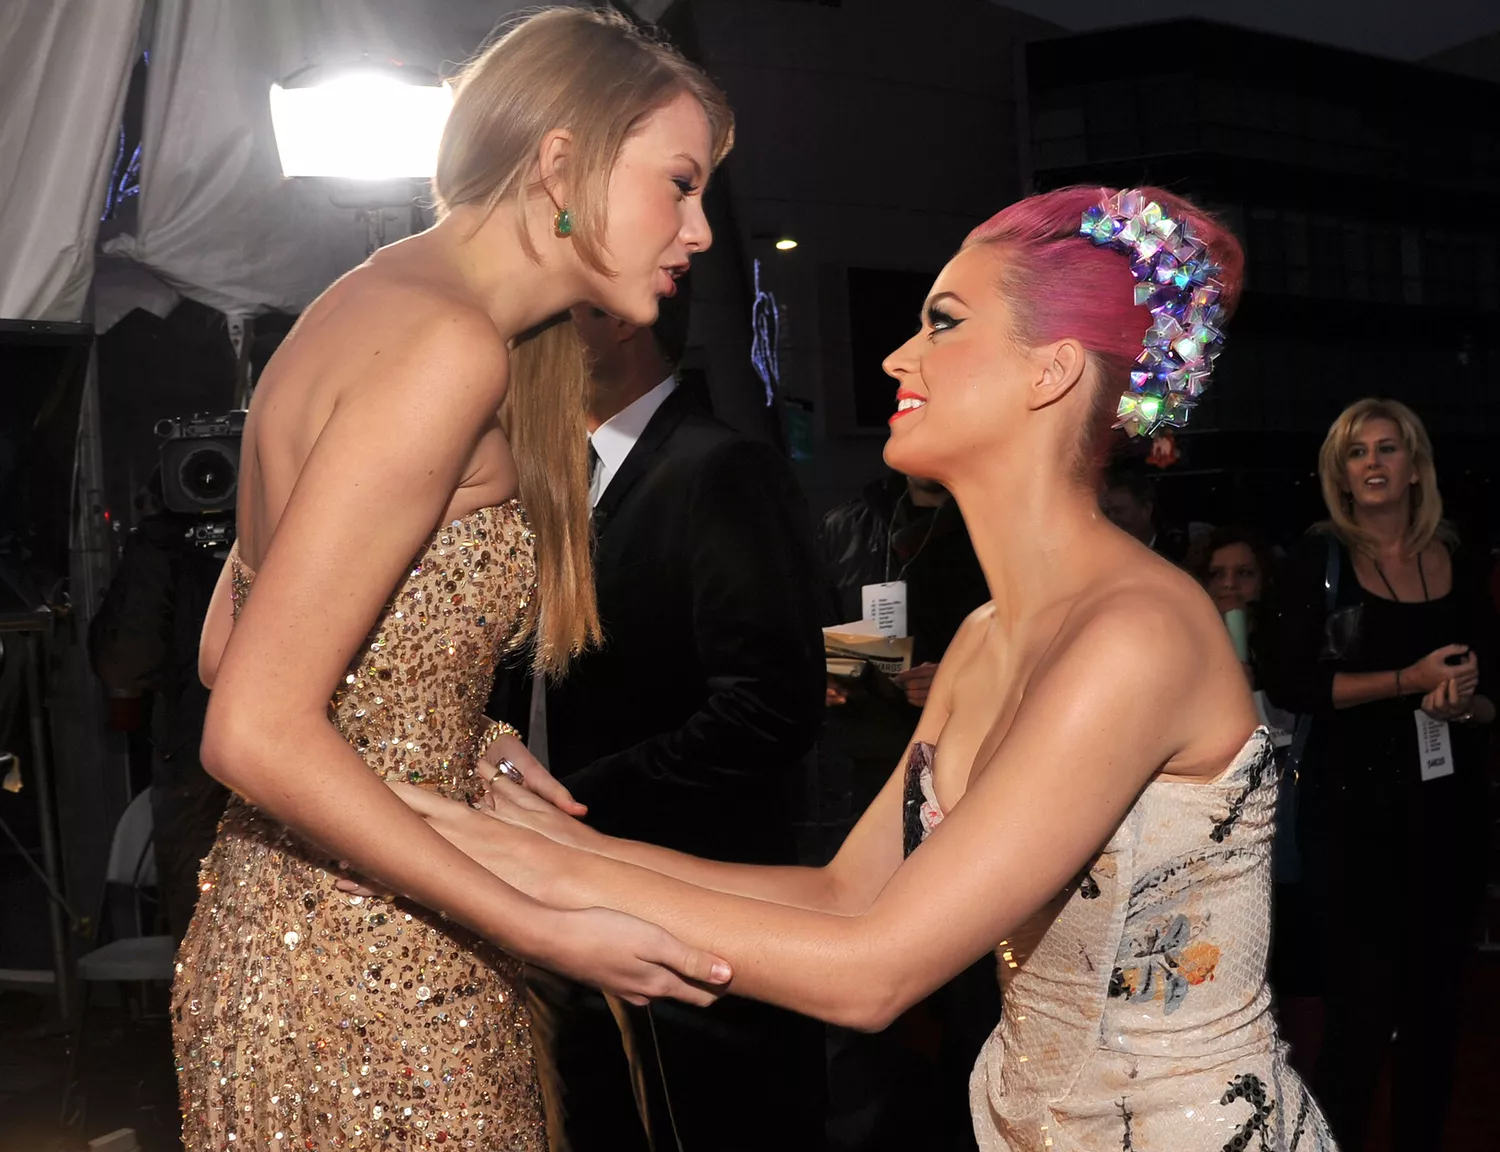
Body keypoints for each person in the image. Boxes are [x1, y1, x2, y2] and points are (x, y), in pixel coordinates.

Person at [380, 186, 1339, 1149]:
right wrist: (557, 844)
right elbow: (848, 893)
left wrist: (533, 871)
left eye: (944, 323)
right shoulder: (982, 637)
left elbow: (872, 971)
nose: (895, 356)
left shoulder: (1137, 635)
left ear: (1049, 372)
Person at [171, 11, 735, 1150]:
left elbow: (231, 648)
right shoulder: (445, 348)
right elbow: (251, 727)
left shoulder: (371, 305)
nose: (702, 230)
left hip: (288, 932)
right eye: (679, 184)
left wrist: (444, 725)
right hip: (369, 974)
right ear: (561, 162)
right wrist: (546, 927)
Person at [489, 287, 827, 1151]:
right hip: (554, 903)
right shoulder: (540, 476)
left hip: (697, 902)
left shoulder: (720, 468)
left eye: (538, 321)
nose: (514, 345)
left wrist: (568, 811)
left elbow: (768, 708)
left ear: (615, 320)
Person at [1260, 398, 1496, 1149]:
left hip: (1444, 813)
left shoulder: (1456, 560)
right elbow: (1290, 683)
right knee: (1360, 1019)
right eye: (1356, 454)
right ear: (1340, 473)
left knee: (1436, 1012)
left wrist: (1466, 707)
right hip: (1348, 817)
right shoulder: (1318, 560)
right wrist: (1406, 679)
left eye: (1386, 449)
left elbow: (1493, 692)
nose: (1371, 464)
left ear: (1416, 467)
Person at [816, 470, 995, 1152]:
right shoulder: (849, 524)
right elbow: (813, 632)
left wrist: (952, 676)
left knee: (970, 975)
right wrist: (843, 674)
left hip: (970, 771)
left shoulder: (989, 518)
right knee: (861, 962)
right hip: (868, 763)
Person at [88, 470, 229, 939]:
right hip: (200, 779)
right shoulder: (170, 548)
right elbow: (123, 664)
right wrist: (156, 547)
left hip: (262, 777)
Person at [1098, 462, 1187, 564]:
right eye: (1107, 512)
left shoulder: (1177, 556)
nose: (1111, 519)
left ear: (1146, 509)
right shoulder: (1100, 557)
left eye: (1119, 511)